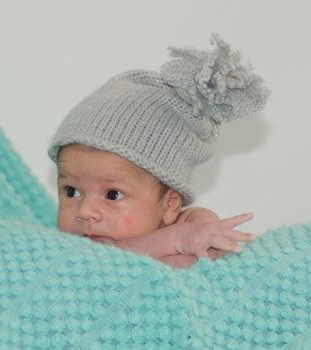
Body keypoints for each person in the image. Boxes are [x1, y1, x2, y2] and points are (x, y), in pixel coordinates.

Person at [48, 34, 269, 268]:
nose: (85, 211)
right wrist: (174, 241)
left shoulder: (195, 227)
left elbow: (201, 265)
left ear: (171, 205)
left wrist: (189, 240)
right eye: (71, 191)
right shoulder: (65, 251)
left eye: (112, 194)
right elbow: (101, 262)